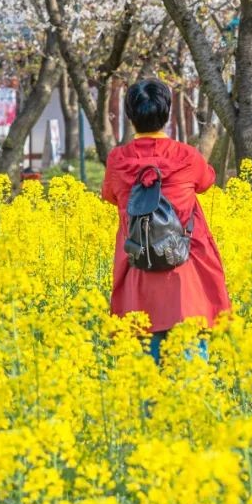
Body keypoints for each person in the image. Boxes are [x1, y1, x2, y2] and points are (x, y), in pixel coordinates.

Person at [102, 78, 230, 364]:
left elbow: (110, 195)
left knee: (147, 377)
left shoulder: (117, 160)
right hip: (185, 275)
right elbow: (206, 181)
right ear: (168, 113)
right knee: (191, 378)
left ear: (130, 115)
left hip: (139, 273)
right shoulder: (186, 156)